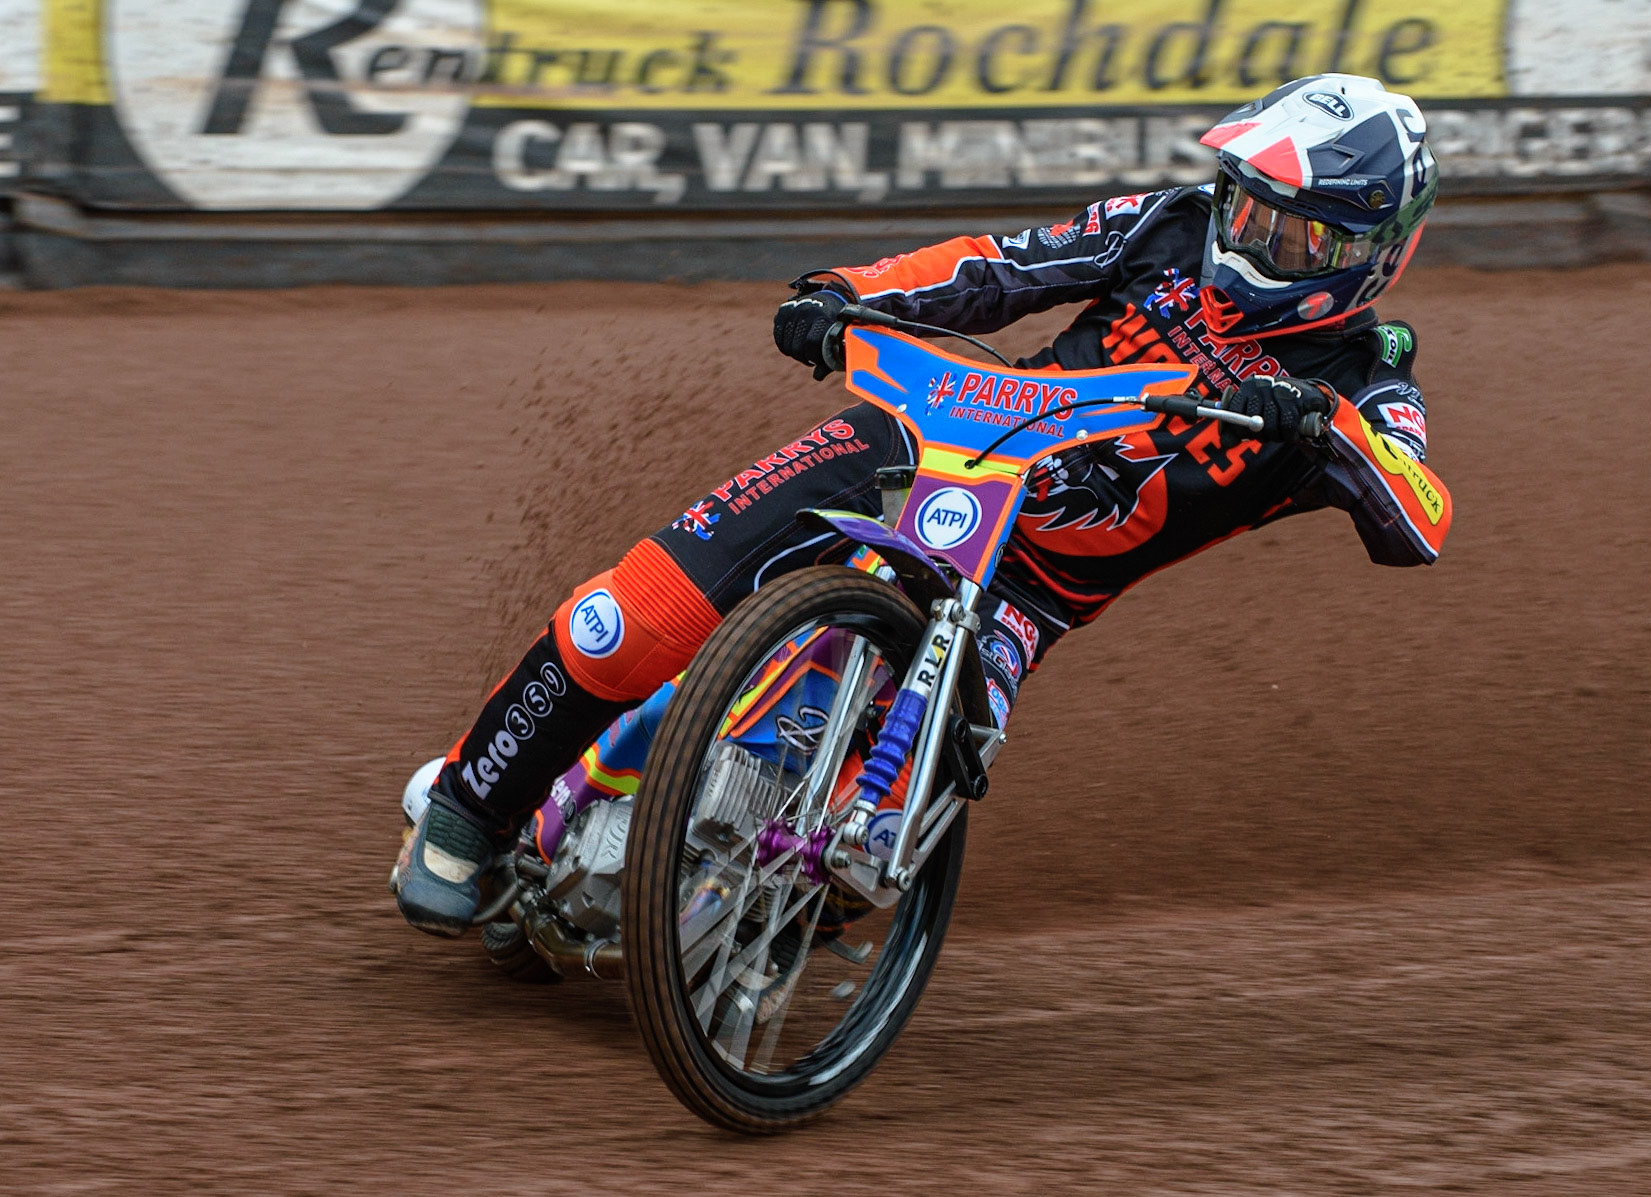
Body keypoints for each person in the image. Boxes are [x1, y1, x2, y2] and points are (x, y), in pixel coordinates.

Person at [393, 72, 1453, 936]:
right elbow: (1000, 266)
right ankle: (468, 812)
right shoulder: (1169, 228)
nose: (1252, 241)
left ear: (1371, 252)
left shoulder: (1362, 378)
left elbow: (1419, 510)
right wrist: (849, 293)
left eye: (1294, 235)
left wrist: (1324, 427)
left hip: (1025, 595)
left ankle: (739, 927)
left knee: (876, 832)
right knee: (635, 615)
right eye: (1245, 206)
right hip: (931, 437)